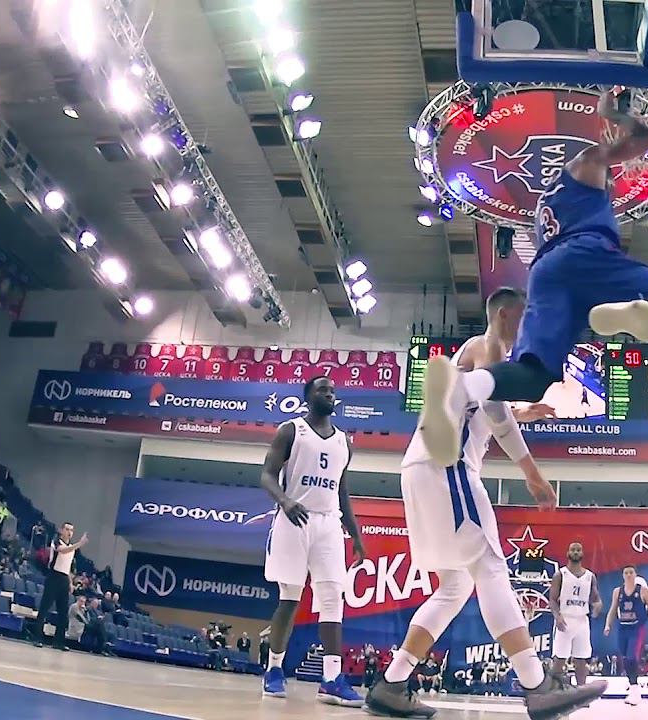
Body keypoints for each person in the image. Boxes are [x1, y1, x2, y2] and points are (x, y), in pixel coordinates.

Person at [415, 87, 648, 469]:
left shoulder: (546, 204)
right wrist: (614, 114)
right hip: (586, 253)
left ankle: (460, 387)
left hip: (545, 271)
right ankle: (633, 314)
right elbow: (646, 138)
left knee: (532, 378)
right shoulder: (586, 163)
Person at [365, 287, 605, 720]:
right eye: (527, 314)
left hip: (420, 468)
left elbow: (483, 411)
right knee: (491, 566)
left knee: (455, 586)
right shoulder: (488, 346)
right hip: (448, 467)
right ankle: (536, 685)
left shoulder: (475, 358)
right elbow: (495, 413)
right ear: (507, 313)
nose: (532, 323)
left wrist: (524, 413)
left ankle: (392, 683)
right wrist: (532, 473)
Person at [259, 376, 366, 707]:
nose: (330, 394)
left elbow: (342, 490)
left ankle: (331, 679)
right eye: (323, 390)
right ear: (308, 396)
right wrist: (285, 501)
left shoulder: (344, 442)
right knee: (290, 598)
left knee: (333, 597)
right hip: (294, 519)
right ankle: (274, 669)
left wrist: (356, 534)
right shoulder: (291, 431)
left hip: (328, 523)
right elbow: (266, 474)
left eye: (333, 390)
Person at [604, 565, 648, 706]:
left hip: (637, 628)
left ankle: (635, 690)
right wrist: (607, 625)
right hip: (623, 628)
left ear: (635, 575)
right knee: (624, 658)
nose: (628, 575)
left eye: (631, 572)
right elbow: (612, 609)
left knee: (631, 657)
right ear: (623, 575)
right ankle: (633, 688)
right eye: (626, 572)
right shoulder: (617, 592)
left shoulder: (643, 591)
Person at [550, 541, 603, 687]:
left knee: (581, 660)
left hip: (582, 621)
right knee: (559, 660)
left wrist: (598, 605)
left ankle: (581, 692)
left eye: (578, 550)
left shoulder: (590, 576)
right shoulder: (560, 574)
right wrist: (557, 616)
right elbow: (552, 600)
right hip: (565, 619)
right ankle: (552, 691)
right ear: (567, 553)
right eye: (573, 549)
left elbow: (596, 598)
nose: (575, 552)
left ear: (582, 554)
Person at [32, 522, 87, 651]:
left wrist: (70, 583)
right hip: (53, 577)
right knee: (44, 608)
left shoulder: (71, 547)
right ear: (62, 530)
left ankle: (59, 642)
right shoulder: (56, 541)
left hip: (64, 579)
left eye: (71, 530)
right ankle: (37, 638)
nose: (69, 532)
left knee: (63, 612)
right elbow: (62, 550)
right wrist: (79, 544)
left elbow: (68, 568)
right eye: (67, 529)